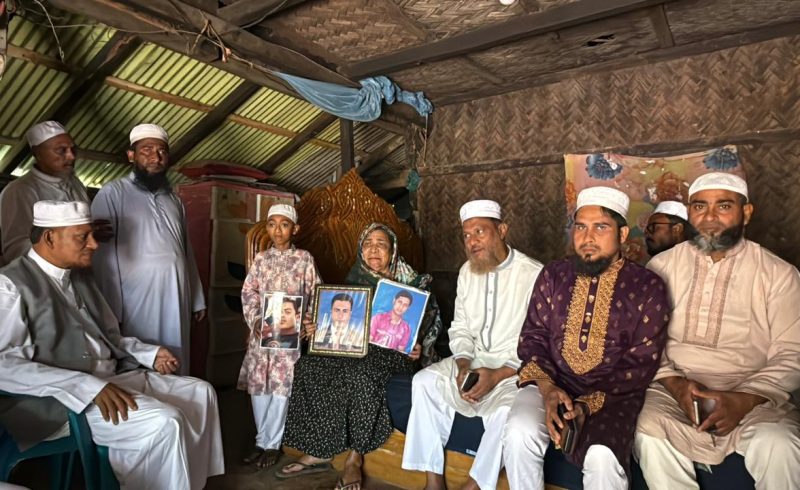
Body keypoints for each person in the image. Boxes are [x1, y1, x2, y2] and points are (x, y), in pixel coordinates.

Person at [0, 200, 223, 489]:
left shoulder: (80, 278)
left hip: (111, 377)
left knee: (201, 393)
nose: (94, 244)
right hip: (59, 401)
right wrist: (87, 386)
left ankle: (190, 484)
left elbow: (109, 336)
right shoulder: (10, 285)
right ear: (50, 237)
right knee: (164, 422)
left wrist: (149, 353)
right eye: (82, 237)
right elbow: (5, 365)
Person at [635, 172, 800, 489]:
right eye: (700, 207)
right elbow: (644, 342)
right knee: (647, 427)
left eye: (723, 206)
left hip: (753, 393)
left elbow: (792, 354)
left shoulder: (778, 274)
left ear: (746, 213)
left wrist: (742, 400)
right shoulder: (661, 268)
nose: (709, 217)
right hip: (672, 389)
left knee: (780, 443)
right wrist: (675, 385)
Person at [503, 187, 670, 490]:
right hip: (551, 381)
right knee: (518, 431)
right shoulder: (554, 275)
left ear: (622, 234)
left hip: (613, 395)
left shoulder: (647, 287)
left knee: (602, 457)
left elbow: (641, 362)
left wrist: (585, 405)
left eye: (600, 227)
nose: (587, 237)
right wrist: (547, 388)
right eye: (580, 227)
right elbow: (534, 336)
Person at [278, 223, 445, 490]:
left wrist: (420, 348)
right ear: (360, 251)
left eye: (381, 244)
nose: (374, 249)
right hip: (354, 348)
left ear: (392, 251)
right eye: (368, 244)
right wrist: (316, 328)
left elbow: (428, 326)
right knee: (308, 365)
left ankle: (355, 457)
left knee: (360, 373)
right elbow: (338, 320)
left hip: (392, 353)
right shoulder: (354, 280)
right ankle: (320, 449)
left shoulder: (412, 284)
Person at [402, 199, 543, 490]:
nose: (472, 241)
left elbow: (539, 342)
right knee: (423, 382)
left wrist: (498, 374)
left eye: (480, 232)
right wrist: (464, 364)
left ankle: (474, 485)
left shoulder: (534, 274)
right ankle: (434, 482)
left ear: (502, 230)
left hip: (513, 370)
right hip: (474, 360)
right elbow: (461, 328)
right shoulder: (468, 271)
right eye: (466, 235)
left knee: (508, 414)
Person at [91, 124, 205, 373]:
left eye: (162, 151)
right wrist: (112, 310)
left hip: (177, 293)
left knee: (177, 358)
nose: (156, 157)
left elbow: (185, 249)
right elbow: (102, 256)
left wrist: (196, 298)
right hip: (136, 300)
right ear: (131, 155)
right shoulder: (113, 193)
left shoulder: (174, 199)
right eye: (147, 150)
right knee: (142, 362)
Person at [237, 204, 321, 469]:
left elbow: (317, 293)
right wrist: (256, 319)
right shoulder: (261, 259)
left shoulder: (304, 259)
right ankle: (260, 440)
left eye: (284, 224)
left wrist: (307, 321)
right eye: (272, 224)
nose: (277, 230)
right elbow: (249, 292)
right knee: (259, 384)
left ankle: (272, 444)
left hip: (290, 335)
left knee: (281, 386)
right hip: (263, 333)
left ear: (295, 229)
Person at [0, 121, 89, 263]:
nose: (71, 156)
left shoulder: (75, 183)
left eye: (73, 149)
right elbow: (15, 250)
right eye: (61, 150)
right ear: (37, 154)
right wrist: (68, 246)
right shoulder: (18, 191)